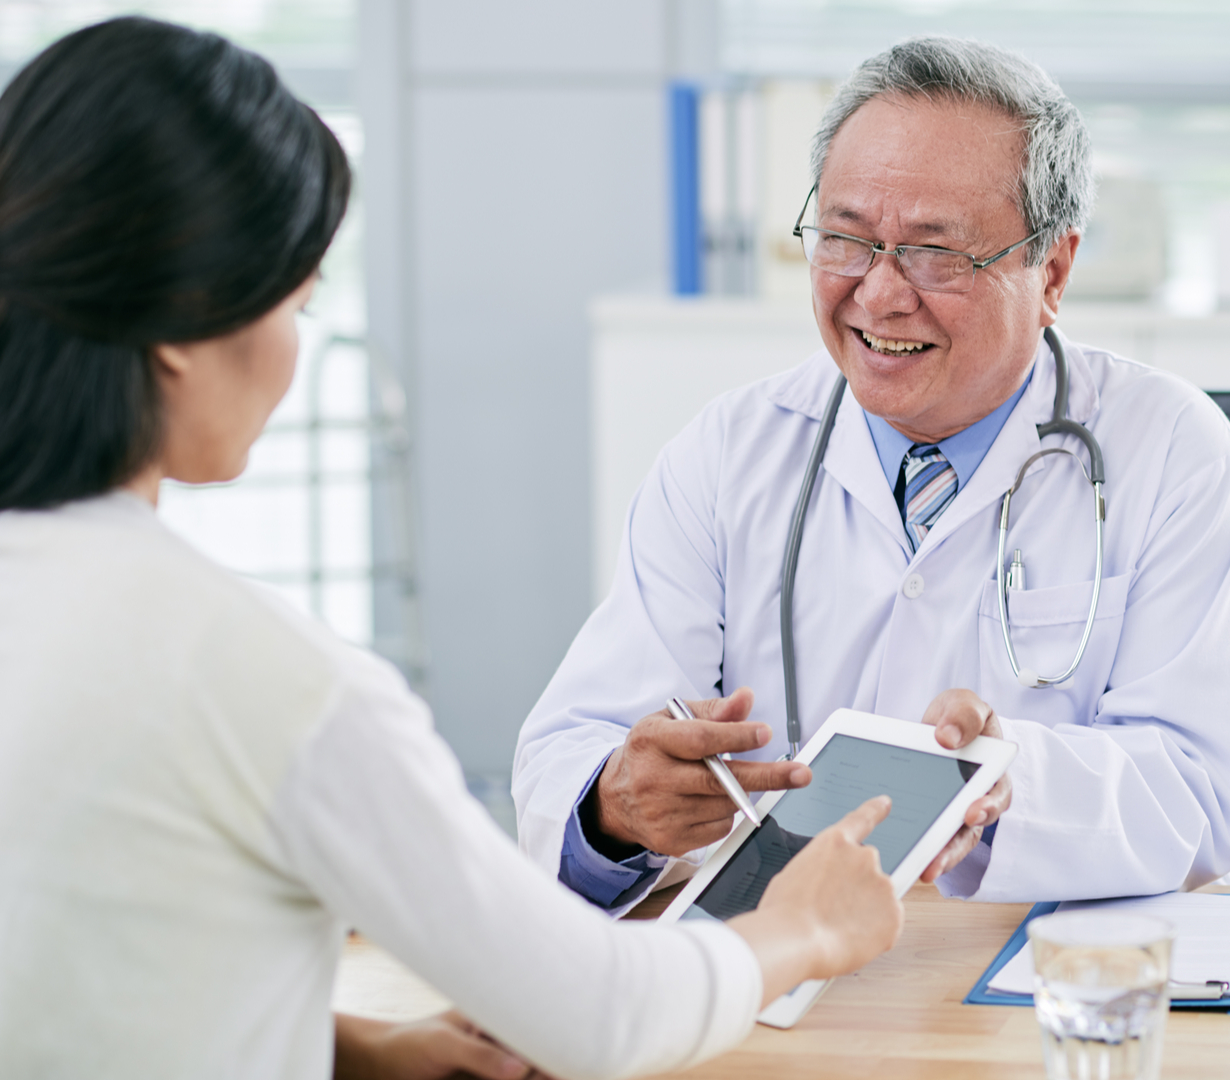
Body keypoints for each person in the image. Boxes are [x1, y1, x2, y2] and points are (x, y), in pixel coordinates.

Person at [0, 17, 902, 1080]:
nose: (296, 342)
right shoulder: (265, 680)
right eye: (300, 299)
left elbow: (90, 974)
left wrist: (365, 1051)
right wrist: (801, 927)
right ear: (184, 332)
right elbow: (601, 1016)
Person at [515, 36, 1230, 913]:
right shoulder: (728, 454)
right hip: (775, 976)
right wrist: (614, 808)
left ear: (1052, 269)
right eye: (844, 239)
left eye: (934, 253)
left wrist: (1006, 779)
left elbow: (1196, 805)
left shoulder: (1174, 453)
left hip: (1041, 978)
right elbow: (576, 746)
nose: (877, 295)